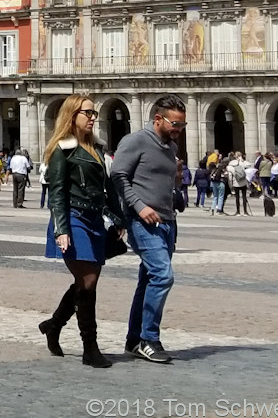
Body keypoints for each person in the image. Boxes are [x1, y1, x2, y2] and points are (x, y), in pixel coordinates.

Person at [38, 95, 125, 369]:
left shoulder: (96, 149)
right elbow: (57, 192)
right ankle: (90, 347)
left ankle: (54, 325)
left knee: (85, 282)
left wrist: (118, 218)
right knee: (87, 281)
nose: (92, 117)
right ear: (72, 114)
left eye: (95, 113)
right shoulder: (63, 149)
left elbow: (107, 188)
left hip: (94, 221)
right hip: (73, 219)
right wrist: (61, 229)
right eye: (87, 112)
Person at [111, 93, 187, 364]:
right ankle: (149, 338)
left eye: (182, 125)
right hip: (142, 221)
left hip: (167, 222)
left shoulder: (171, 148)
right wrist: (139, 206)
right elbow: (118, 175)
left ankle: (134, 340)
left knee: (148, 280)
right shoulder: (135, 141)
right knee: (163, 276)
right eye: (175, 124)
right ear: (158, 119)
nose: (178, 130)